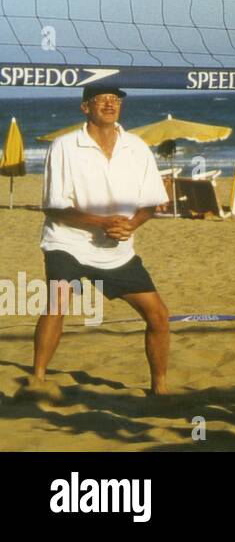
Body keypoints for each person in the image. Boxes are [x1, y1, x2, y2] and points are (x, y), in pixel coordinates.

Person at [28, 85, 172, 396]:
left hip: (115, 249)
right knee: (58, 302)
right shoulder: (65, 146)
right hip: (67, 241)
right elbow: (53, 207)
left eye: (115, 100)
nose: (110, 105)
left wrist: (131, 224)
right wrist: (103, 222)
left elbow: (152, 202)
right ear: (85, 108)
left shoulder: (136, 147)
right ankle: (37, 380)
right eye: (102, 100)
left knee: (158, 315)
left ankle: (160, 390)